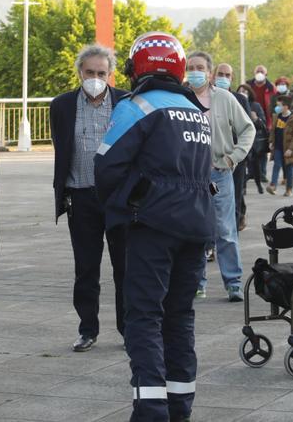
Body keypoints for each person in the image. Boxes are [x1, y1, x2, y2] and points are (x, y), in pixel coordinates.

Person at [95, 31, 214, 422]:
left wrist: (124, 205)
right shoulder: (195, 110)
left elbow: (106, 166)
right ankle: (179, 406)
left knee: (143, 316)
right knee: (180, 316)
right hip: (196, 225)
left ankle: (150, 409)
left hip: (152, 225)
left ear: (136, 68)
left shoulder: (137, 106)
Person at [50, 44, 128, 353]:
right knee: (85, 268)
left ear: (110, 74)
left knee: (125, 267)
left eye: (101, 73)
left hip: (118, 198)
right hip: (81, 196)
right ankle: (87, 329)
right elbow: (62, 148)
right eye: (90, 72)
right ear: (80, 72)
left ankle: (128, 329)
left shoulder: (125, 102)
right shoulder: (62, 105)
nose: (95, 77)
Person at [187, 51, 254, 301]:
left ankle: (233, 281)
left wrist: (233, 157)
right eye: (190, 67)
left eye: (200, 67)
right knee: (194, 229)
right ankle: (197, 281)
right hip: (190, 177)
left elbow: (248, 129)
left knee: (224, 228)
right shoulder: (181, 99)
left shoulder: (225, 99)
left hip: (217, 175)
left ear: (209, 72)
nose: (195, 72)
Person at [213, 62, 253, 232]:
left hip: (234, 158)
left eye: (227, 75)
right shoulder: (207, 98)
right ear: (213, 76)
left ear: (232, 78)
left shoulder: (240, 99)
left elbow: (247, 129)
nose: (223, 78)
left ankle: (233, 230)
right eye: (220, 74)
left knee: (235, 197)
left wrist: (238, 156)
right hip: (213, 160)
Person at [266, 95, 293, 197]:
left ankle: (289, 189)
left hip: (289, 148)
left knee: (289, 169)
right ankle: (273, 185)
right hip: (278, 147)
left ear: (286, 106)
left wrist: (291, 149)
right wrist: (271, 142)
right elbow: (273, 131)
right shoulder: (276, 117)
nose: (277, 107)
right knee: (276, 165)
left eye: (279, 105)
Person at [239, 83, 268, 194]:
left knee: (254, 166)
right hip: (240, 140)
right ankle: (243, 187)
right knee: (242, 166)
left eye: (245, 91)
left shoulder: (255, 106)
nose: (243, 94)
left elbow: (263, 124)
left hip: (254, 142)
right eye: (240, 91)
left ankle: (259, 184)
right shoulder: (235, 103)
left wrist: (256, 119)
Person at [246, 64, 277, 129]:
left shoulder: (271, 88)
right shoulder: (248, 86)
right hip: (250, 117)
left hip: (267, 119)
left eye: (262, 72)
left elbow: (276, 104)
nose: (259, 73)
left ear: (266, 74)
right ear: (254, 73)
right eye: (257, 72)